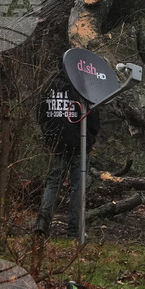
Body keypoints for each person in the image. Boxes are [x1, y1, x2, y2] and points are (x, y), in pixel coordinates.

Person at [33, 71, 100, 239]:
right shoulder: (82, 88)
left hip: (56, 143)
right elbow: (94, 119)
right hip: (79, 143)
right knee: (78, 187)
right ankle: (74, 230)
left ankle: (42, 223)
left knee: (53, 183)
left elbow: (41, 115)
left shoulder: (47, 88)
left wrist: (49, 138)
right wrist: (91, 137)